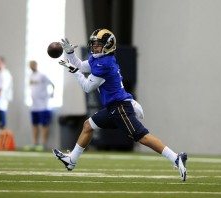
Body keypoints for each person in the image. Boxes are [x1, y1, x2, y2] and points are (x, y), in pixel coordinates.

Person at [53, 29, 188, 181]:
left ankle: (176, 158)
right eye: (94, 44)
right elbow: (81, 66)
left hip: (120, 108)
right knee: (88, 126)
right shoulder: (99, 59)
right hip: (113, 108)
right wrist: (70, 53)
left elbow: (87, 87)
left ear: (108, 45)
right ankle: (71, 161)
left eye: (98, 44)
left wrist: (74, 71)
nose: (95, 47)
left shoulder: (105, 64)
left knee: (142, 137)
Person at [25, 60, 54, 151]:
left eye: (33, 65)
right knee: (34, 125)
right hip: (34, 106)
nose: (31, 66)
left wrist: (51, 94)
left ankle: (44, 144)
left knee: (44, 125)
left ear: (36, 65)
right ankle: (35, 143)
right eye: (30, 65)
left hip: (43, 106)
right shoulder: (30, 76)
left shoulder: (42, 76)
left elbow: (52, 84)